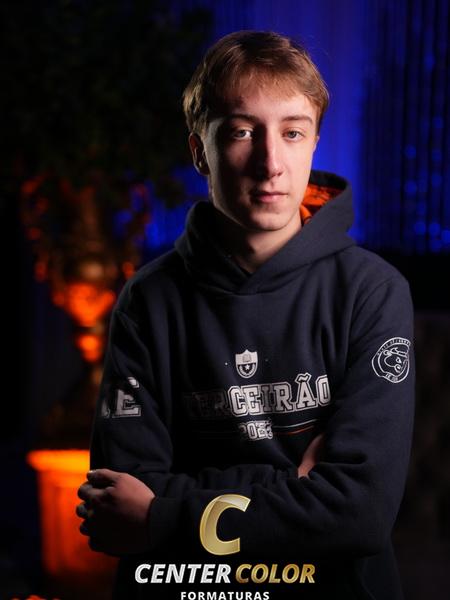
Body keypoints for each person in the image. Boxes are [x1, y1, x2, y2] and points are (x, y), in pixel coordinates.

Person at [77, 30, 415, 599]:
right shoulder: (148, 301)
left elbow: (359, 514)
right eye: (240, 131)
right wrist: (295, 487)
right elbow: (119, 501)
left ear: (314, 144)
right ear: (199, 151)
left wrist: (164, 515)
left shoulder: (372, 292)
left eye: (292, 132)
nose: (269, 163)